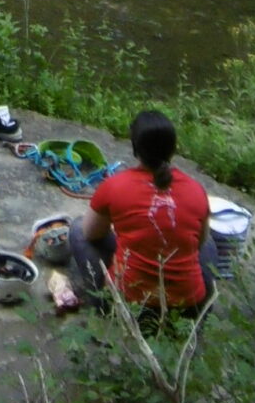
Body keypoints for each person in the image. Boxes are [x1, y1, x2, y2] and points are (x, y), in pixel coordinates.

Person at [70, 110, 215, 317]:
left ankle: (103, 306)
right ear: (173, 149)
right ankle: (204, 304)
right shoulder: (196, 189)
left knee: (78, 229)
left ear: (135, 148)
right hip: (186, 308)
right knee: (208, 242)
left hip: (132, 306)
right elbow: (199, 244)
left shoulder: (114, 186)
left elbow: (91, 234)